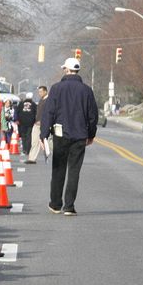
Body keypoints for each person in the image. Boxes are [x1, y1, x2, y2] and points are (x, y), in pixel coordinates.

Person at [40, 58, 98, 216]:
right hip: (80, 136)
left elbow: (48, 113)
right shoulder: (86, 90)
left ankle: (56, 204)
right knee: (74, 171)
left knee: (58, 169)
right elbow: (92, 115)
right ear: (77, 71)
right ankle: (69, 206)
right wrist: (91, 134)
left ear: (66, 70)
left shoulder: (56, 88)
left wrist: (43, 134)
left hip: (60, 135)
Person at [27, 86, 49, 163]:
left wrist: (43, 121)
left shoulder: (48, 100)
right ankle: (31, 158)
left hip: (43, 123)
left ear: (45, 91)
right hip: (36, 123)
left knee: (45, 141)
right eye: (39, 92)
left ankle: (47, 155)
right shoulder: (41, 100)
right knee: (34, 141)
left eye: (41, 92)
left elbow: (48, 113)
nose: (40, 93)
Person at [16, 92, 37, 160]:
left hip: (22, 122)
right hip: (30, 123)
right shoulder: (33, 104)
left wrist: (18, 119)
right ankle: (28, 150)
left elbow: (17, 111)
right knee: (29, 136)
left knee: (23, 136)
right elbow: (36, 113)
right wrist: (34, 121)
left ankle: (24, 150)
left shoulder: (21, 104)